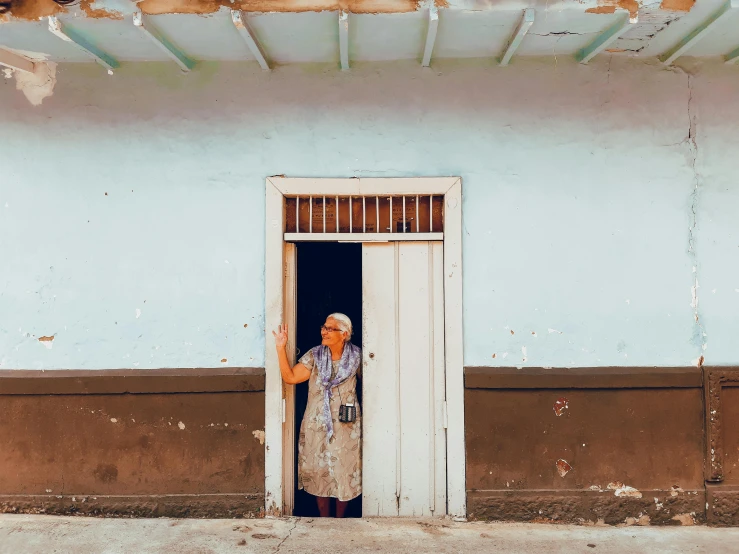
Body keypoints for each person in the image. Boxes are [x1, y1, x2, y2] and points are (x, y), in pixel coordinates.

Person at [273, 313, 362, 518]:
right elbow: (291, 377)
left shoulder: (357, 356)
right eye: (324, 327)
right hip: (317, 423)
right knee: (319, 471)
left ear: (344, 334)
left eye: (330, 329)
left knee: (343, 472)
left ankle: (340, 521)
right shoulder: (315, 355)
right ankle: (324, 520)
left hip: (346, 426)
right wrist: (280, 348)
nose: (324, 331)